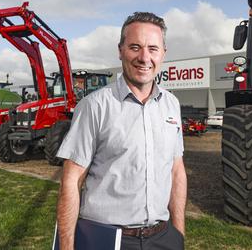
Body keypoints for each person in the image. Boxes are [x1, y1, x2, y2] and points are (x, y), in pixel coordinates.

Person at [56, 12, 187, 250]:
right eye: (135, 47)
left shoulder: (171, 105)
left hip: (163, 237)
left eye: (153, 49)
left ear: (163, 54)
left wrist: (178, 235)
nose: (144, 57)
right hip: (109, 240)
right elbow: (71, 180)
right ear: (120, 50)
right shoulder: (94, 106)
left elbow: (176, 170)